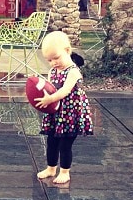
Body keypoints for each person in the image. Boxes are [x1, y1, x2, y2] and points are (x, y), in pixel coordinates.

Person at [35, 31, 93, 185]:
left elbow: (65, 91)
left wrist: (50, 99)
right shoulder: (53, 71)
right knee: (52, 141)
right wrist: (42, 96)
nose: (53, 63)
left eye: (56, 58)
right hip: (56, 113)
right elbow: (50, 88)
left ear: (67, 51)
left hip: (70, 113)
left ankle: (65, 172)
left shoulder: (73, 71)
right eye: (49, 60)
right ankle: (51, 168)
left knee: (65, 144)